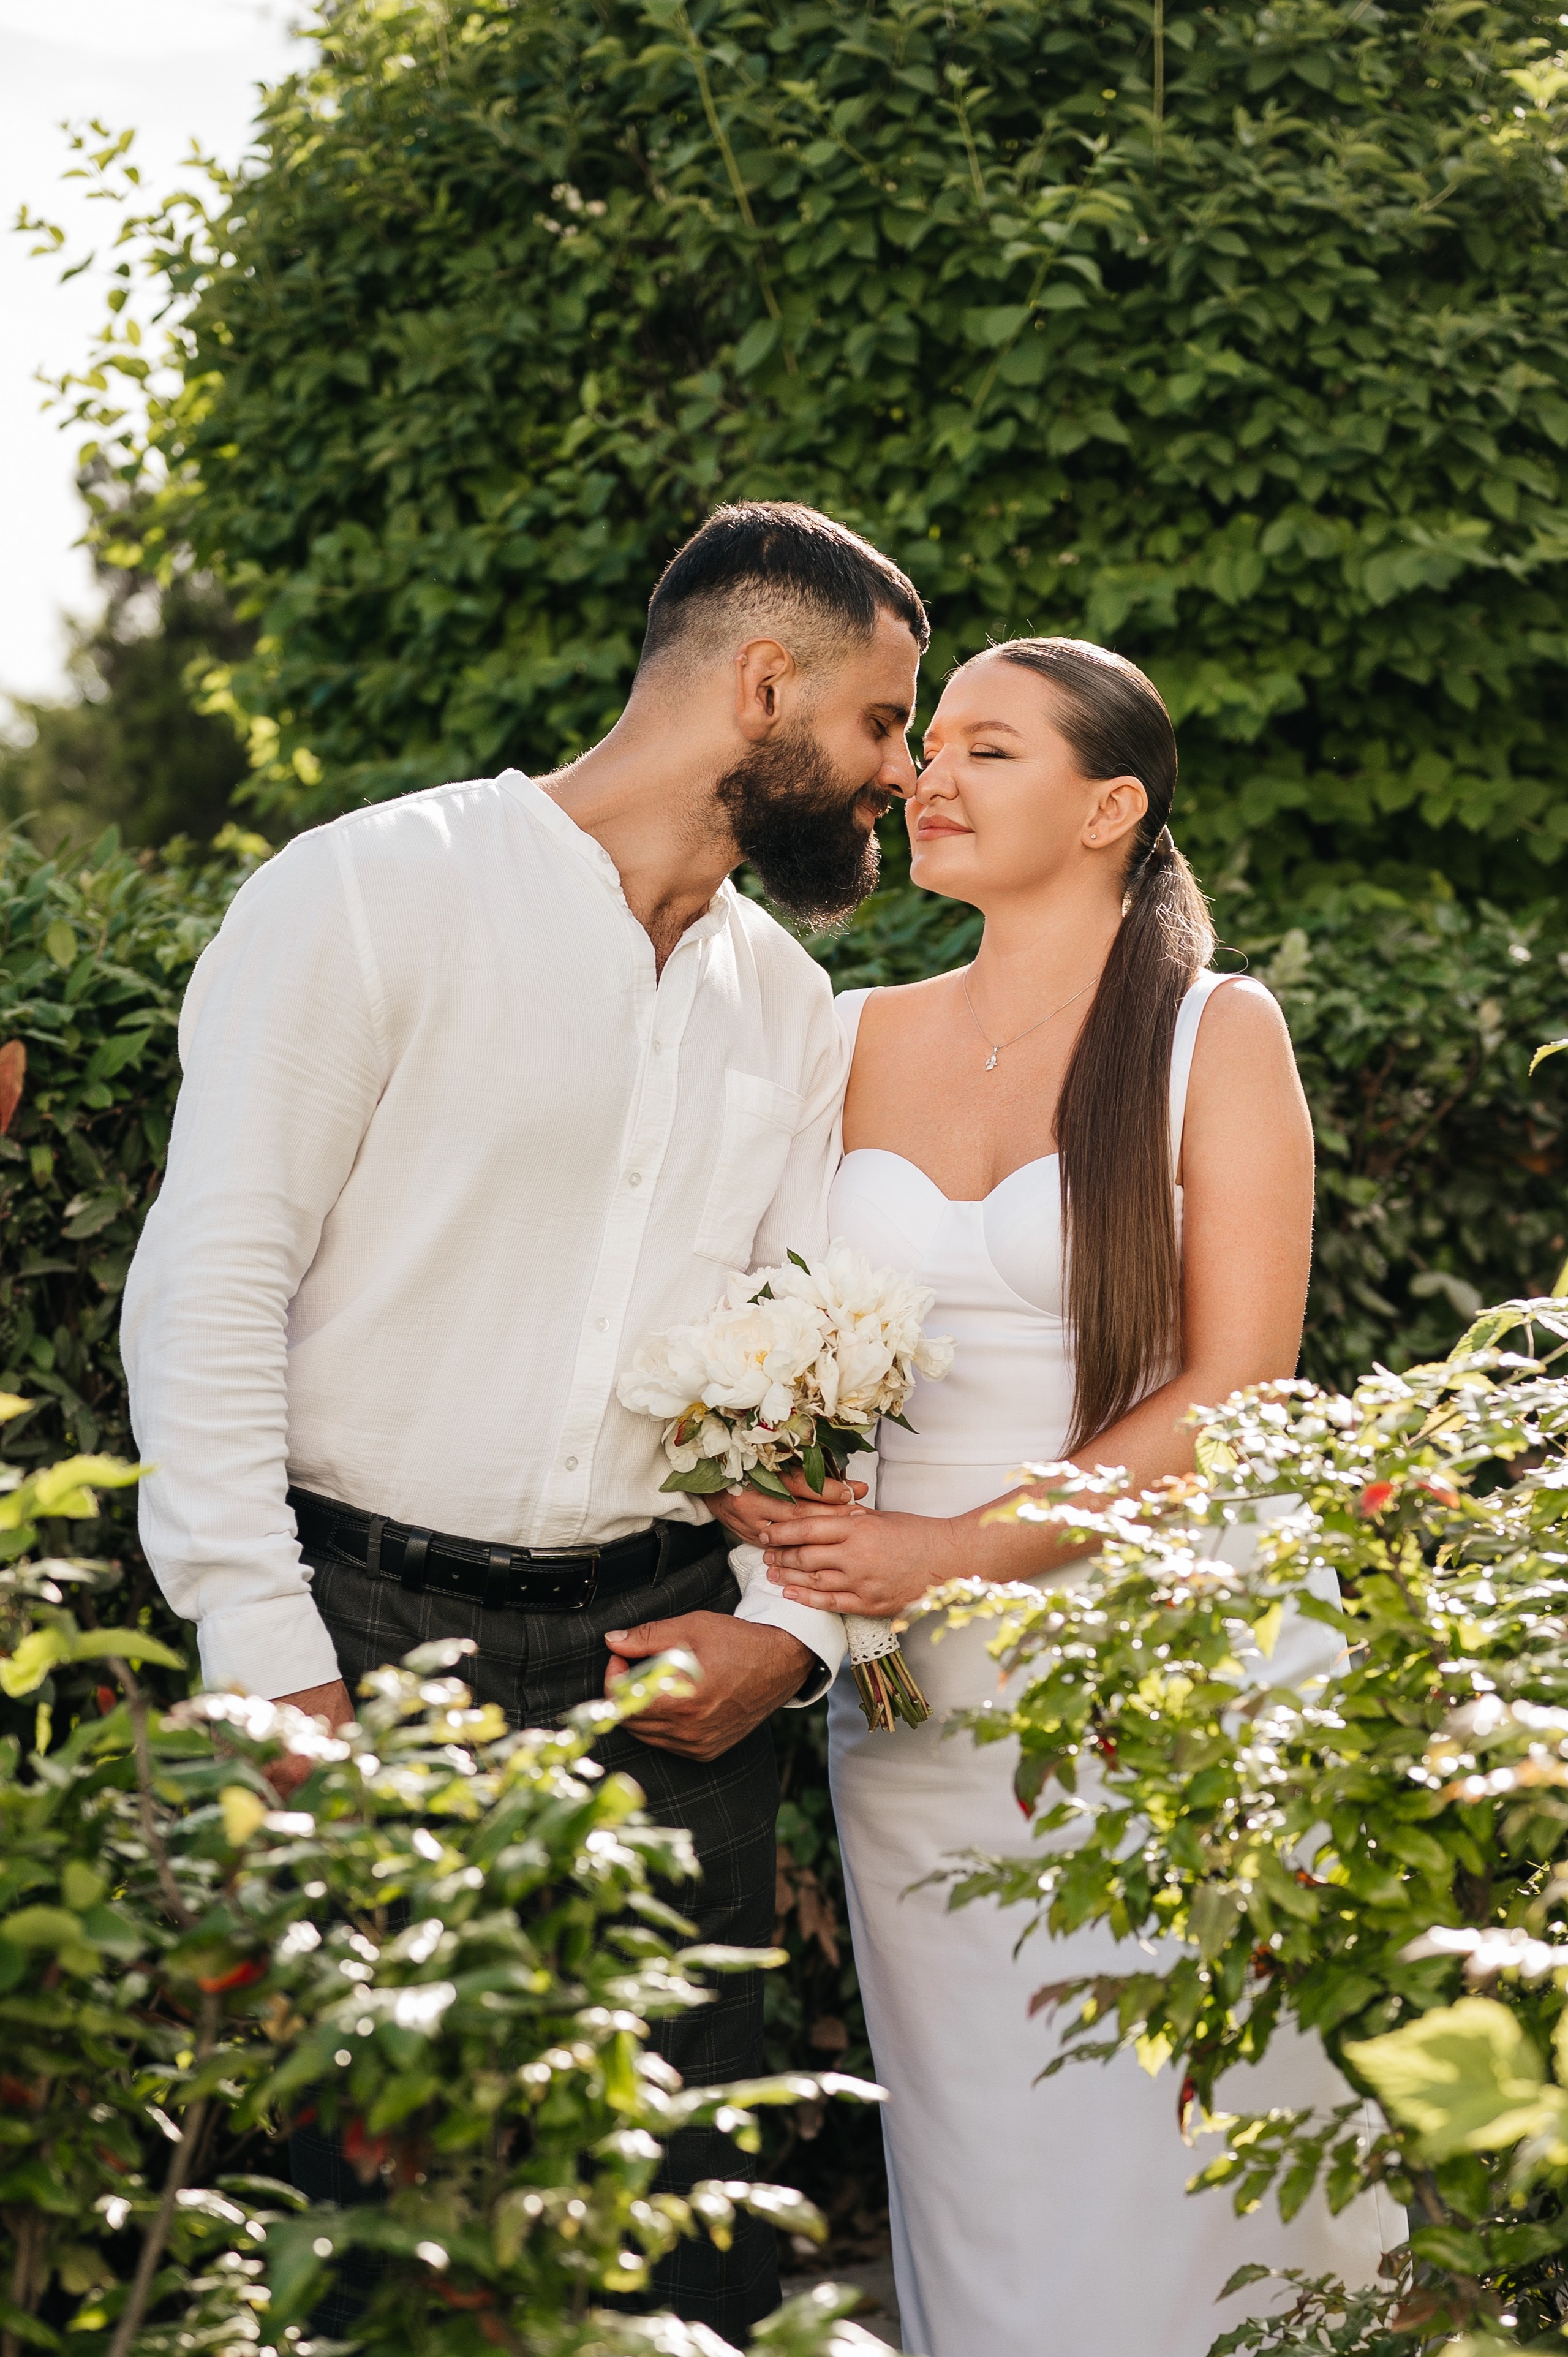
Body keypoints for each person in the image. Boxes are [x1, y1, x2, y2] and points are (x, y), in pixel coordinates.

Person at [119, 500, 927, 2344]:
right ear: (765, 683)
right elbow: (211, 1287)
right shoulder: (367, 891)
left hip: (674, 1681)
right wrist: (268, 1656)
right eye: (883, 721)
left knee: (691, 2241)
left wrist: (785, 1636)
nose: (901, 771)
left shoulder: (791, 1006)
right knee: (359, 2239)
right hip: (367, 1651)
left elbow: (816, 1347)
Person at [756, 638, 1400, 2357]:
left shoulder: (1211, 1033)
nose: (928, 776)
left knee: (1186, 2135)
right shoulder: (846, 1034)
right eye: (930, 745)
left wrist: (953, 1548)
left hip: (1163, 1649)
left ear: (1112, 808)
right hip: (917, 1686)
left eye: (990, 748)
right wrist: (796, 1510)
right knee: (982, 2144)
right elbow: (766, 1338)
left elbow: (1237, 1385)